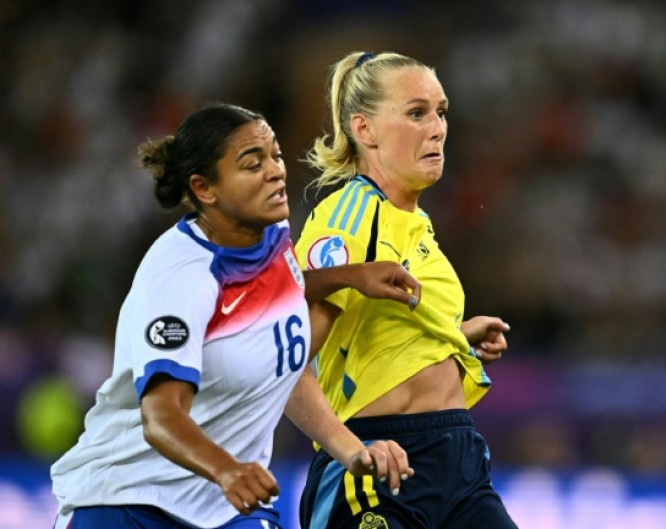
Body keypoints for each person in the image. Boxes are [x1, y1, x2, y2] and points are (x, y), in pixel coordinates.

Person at [50, 103, 417, 529]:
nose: (276, 171)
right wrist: (226, 469)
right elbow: (161, 415)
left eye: (275, 156)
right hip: (129, 501)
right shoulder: (182, 277)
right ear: (205, 189)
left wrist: (348, 278)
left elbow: (282, 348)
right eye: (252, 164)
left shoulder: (270, 237)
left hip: (227, 508)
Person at [295, 51, 517, 529]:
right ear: (364, 129)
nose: (437, 127)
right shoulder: (349, 218)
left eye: (441, 112)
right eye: (416, 113)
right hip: (381, 459)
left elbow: (375, 340)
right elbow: (286, 368)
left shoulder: (418, 224)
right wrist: (354, 452)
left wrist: (452, 336)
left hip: (458, 460)